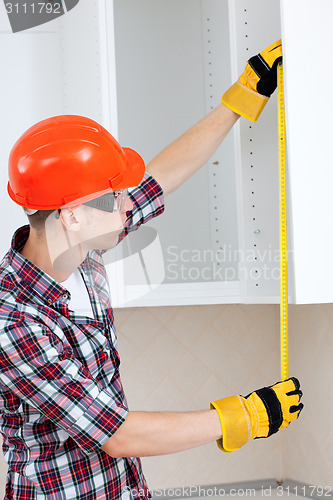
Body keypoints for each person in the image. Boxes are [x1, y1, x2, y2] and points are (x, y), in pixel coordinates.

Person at [0, 40, 303, 500]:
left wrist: (239, 98)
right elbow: (116, 434)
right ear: (72, 214)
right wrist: (242, 415)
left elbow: (162, 176)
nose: (128, 203)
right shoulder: (13, 320)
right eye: (114, 196)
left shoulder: (79, 249)